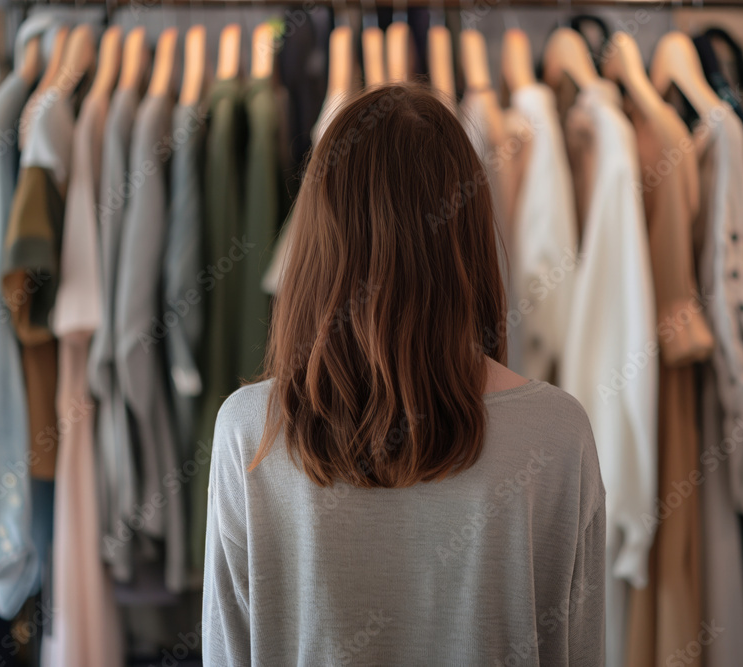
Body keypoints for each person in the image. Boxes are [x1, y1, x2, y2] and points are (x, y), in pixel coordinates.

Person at [201, 83, 606, 665]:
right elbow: (580, 651)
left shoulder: (249, 433)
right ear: (467, 234)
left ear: (317, 242)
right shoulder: (557, 435)